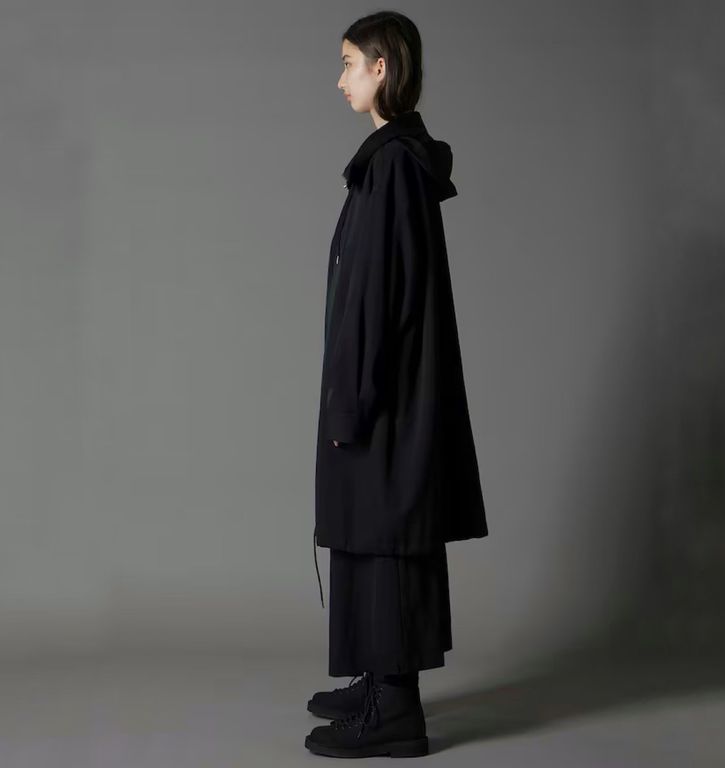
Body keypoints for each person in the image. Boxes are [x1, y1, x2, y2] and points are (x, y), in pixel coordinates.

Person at [304, 10, 489, 759]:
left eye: (350, 63)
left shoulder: (390, 168)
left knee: (384, 536)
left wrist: (351, 402)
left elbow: (377, 302)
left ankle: (396, 711)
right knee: (372, 532)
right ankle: (378, 680)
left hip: (385, 396)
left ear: (382, 67)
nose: (341, 78)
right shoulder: (394, 163)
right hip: (391, 390)